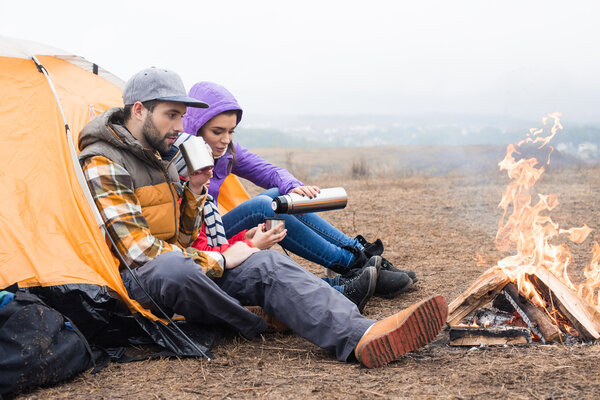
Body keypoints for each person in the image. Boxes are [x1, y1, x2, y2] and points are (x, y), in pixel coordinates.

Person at [78, 67, 448, 368]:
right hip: (141, 279)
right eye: (172, 115)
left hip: (192, 265)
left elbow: (186, 238)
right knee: (176, 268)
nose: (179, 125)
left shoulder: (166, 153)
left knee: (266, 263)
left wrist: (192, 192)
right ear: (139, 110)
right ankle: (261, 319)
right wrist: (223, 257)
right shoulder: (104, 160)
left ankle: (362, 335)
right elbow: (140, 253)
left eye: (181, 115)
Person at [169, 81, 417, 300]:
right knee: (265, 206)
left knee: (280, 195)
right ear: (197, 126)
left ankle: (359, 254)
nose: (225, 139)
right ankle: (350, 264)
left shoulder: (227, 150)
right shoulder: (178, 160)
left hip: (214, 228)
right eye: (217, 131)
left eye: (231, 131)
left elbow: (269, 171)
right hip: (195, 238)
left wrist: (293, 187)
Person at [190, 162, 380, 312]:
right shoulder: (187, 207)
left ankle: (349, 267)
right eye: (202, 170)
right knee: (267, 267)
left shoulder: (199, 202)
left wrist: (244, 237)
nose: (211, 174)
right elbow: (202, 256)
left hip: (219, 258)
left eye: (231, 131)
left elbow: (209, 249)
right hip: (212, 271)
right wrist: (250, 244)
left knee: (279, 198)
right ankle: (339, 287)